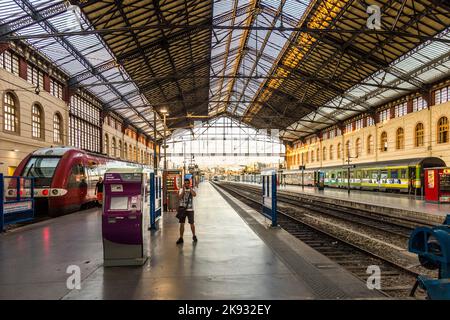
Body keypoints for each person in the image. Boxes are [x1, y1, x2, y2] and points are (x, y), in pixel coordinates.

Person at [176, 178, 197, 244]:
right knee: (182, 224)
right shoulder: (181, 190)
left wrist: (190, 189)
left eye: (188, 183)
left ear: (189, 184)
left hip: (190, 209)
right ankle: (181, 237)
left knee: (192, 223)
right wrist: (183, 191)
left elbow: (194, 195)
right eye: (185, 183)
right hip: (182, 209)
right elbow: (179, 197)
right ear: (183, 184)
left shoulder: (191, 189)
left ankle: (194, 236)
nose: (186, 184)